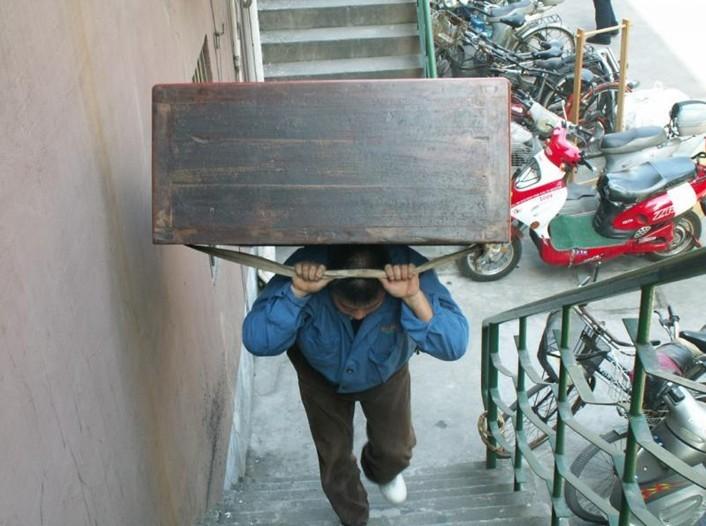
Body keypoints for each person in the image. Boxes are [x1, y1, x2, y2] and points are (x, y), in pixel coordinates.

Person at [242, 245, 469, 526]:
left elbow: (454, 345)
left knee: (395, 450)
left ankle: (382, 472)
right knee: (334, 459)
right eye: (348, 307)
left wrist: (413, 296)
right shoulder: (305, 269)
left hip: (386, 372)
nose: (359, 315)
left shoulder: (410, 270)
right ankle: (354, 518)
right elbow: (258, 340)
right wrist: (297, 292)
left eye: (370, 307)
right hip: (320, 379)